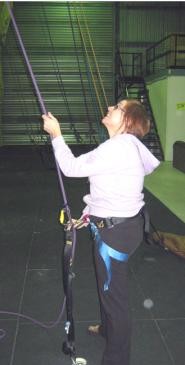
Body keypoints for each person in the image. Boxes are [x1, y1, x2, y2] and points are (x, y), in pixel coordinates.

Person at [42, 99, 160, 365]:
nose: (110, 108)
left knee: (114, 299)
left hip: (115, 236)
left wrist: (56, 135)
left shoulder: (117, 148)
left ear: (127, 120)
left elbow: (71, 168)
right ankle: (108, 330)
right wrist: (86, 218)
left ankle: (116, 359)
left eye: (117, 108)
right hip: (122, 228)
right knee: (107, 288)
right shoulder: (126, 148)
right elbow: (111, 190)